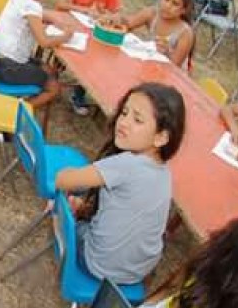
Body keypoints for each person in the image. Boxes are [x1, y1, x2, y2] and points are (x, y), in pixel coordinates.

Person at [55, 82, 186, 286]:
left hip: (99, 266)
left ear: (161, 137)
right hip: (138, 272)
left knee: (64, 207)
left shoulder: (125, 164)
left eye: (137, 120)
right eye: (124, 113)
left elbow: (62, 180)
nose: (123, 122)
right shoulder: (165, 173)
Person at [117, 0, 197, 69]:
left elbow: (175, 67)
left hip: (171, 75)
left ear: (183, 10)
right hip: (151, 65)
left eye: (175, 4)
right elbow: (128, 24)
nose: (168, 6)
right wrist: (115, 20)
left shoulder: (185, 33)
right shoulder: (152, 14)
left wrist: (167, 53)